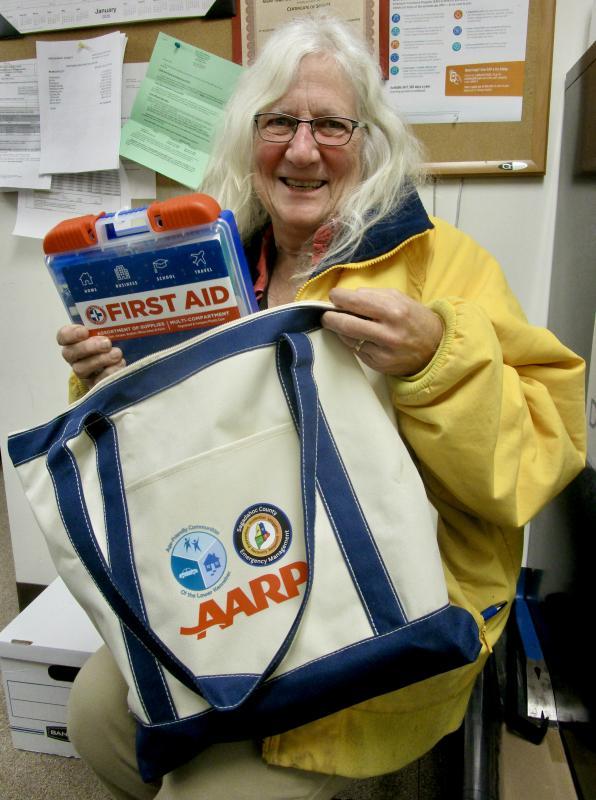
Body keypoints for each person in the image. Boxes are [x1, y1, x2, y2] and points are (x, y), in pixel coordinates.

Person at [57, 13, 586, 800]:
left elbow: (537, 461)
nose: (302, 149)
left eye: (331, 124)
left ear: (369, 140)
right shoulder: (215, 260)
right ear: (249, 134)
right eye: (279, 121)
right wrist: (102, 376)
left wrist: (440, 358)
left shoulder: (445, 263)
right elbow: (153, 447)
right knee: (93, 716)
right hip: (242, 565)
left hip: (385, 595)